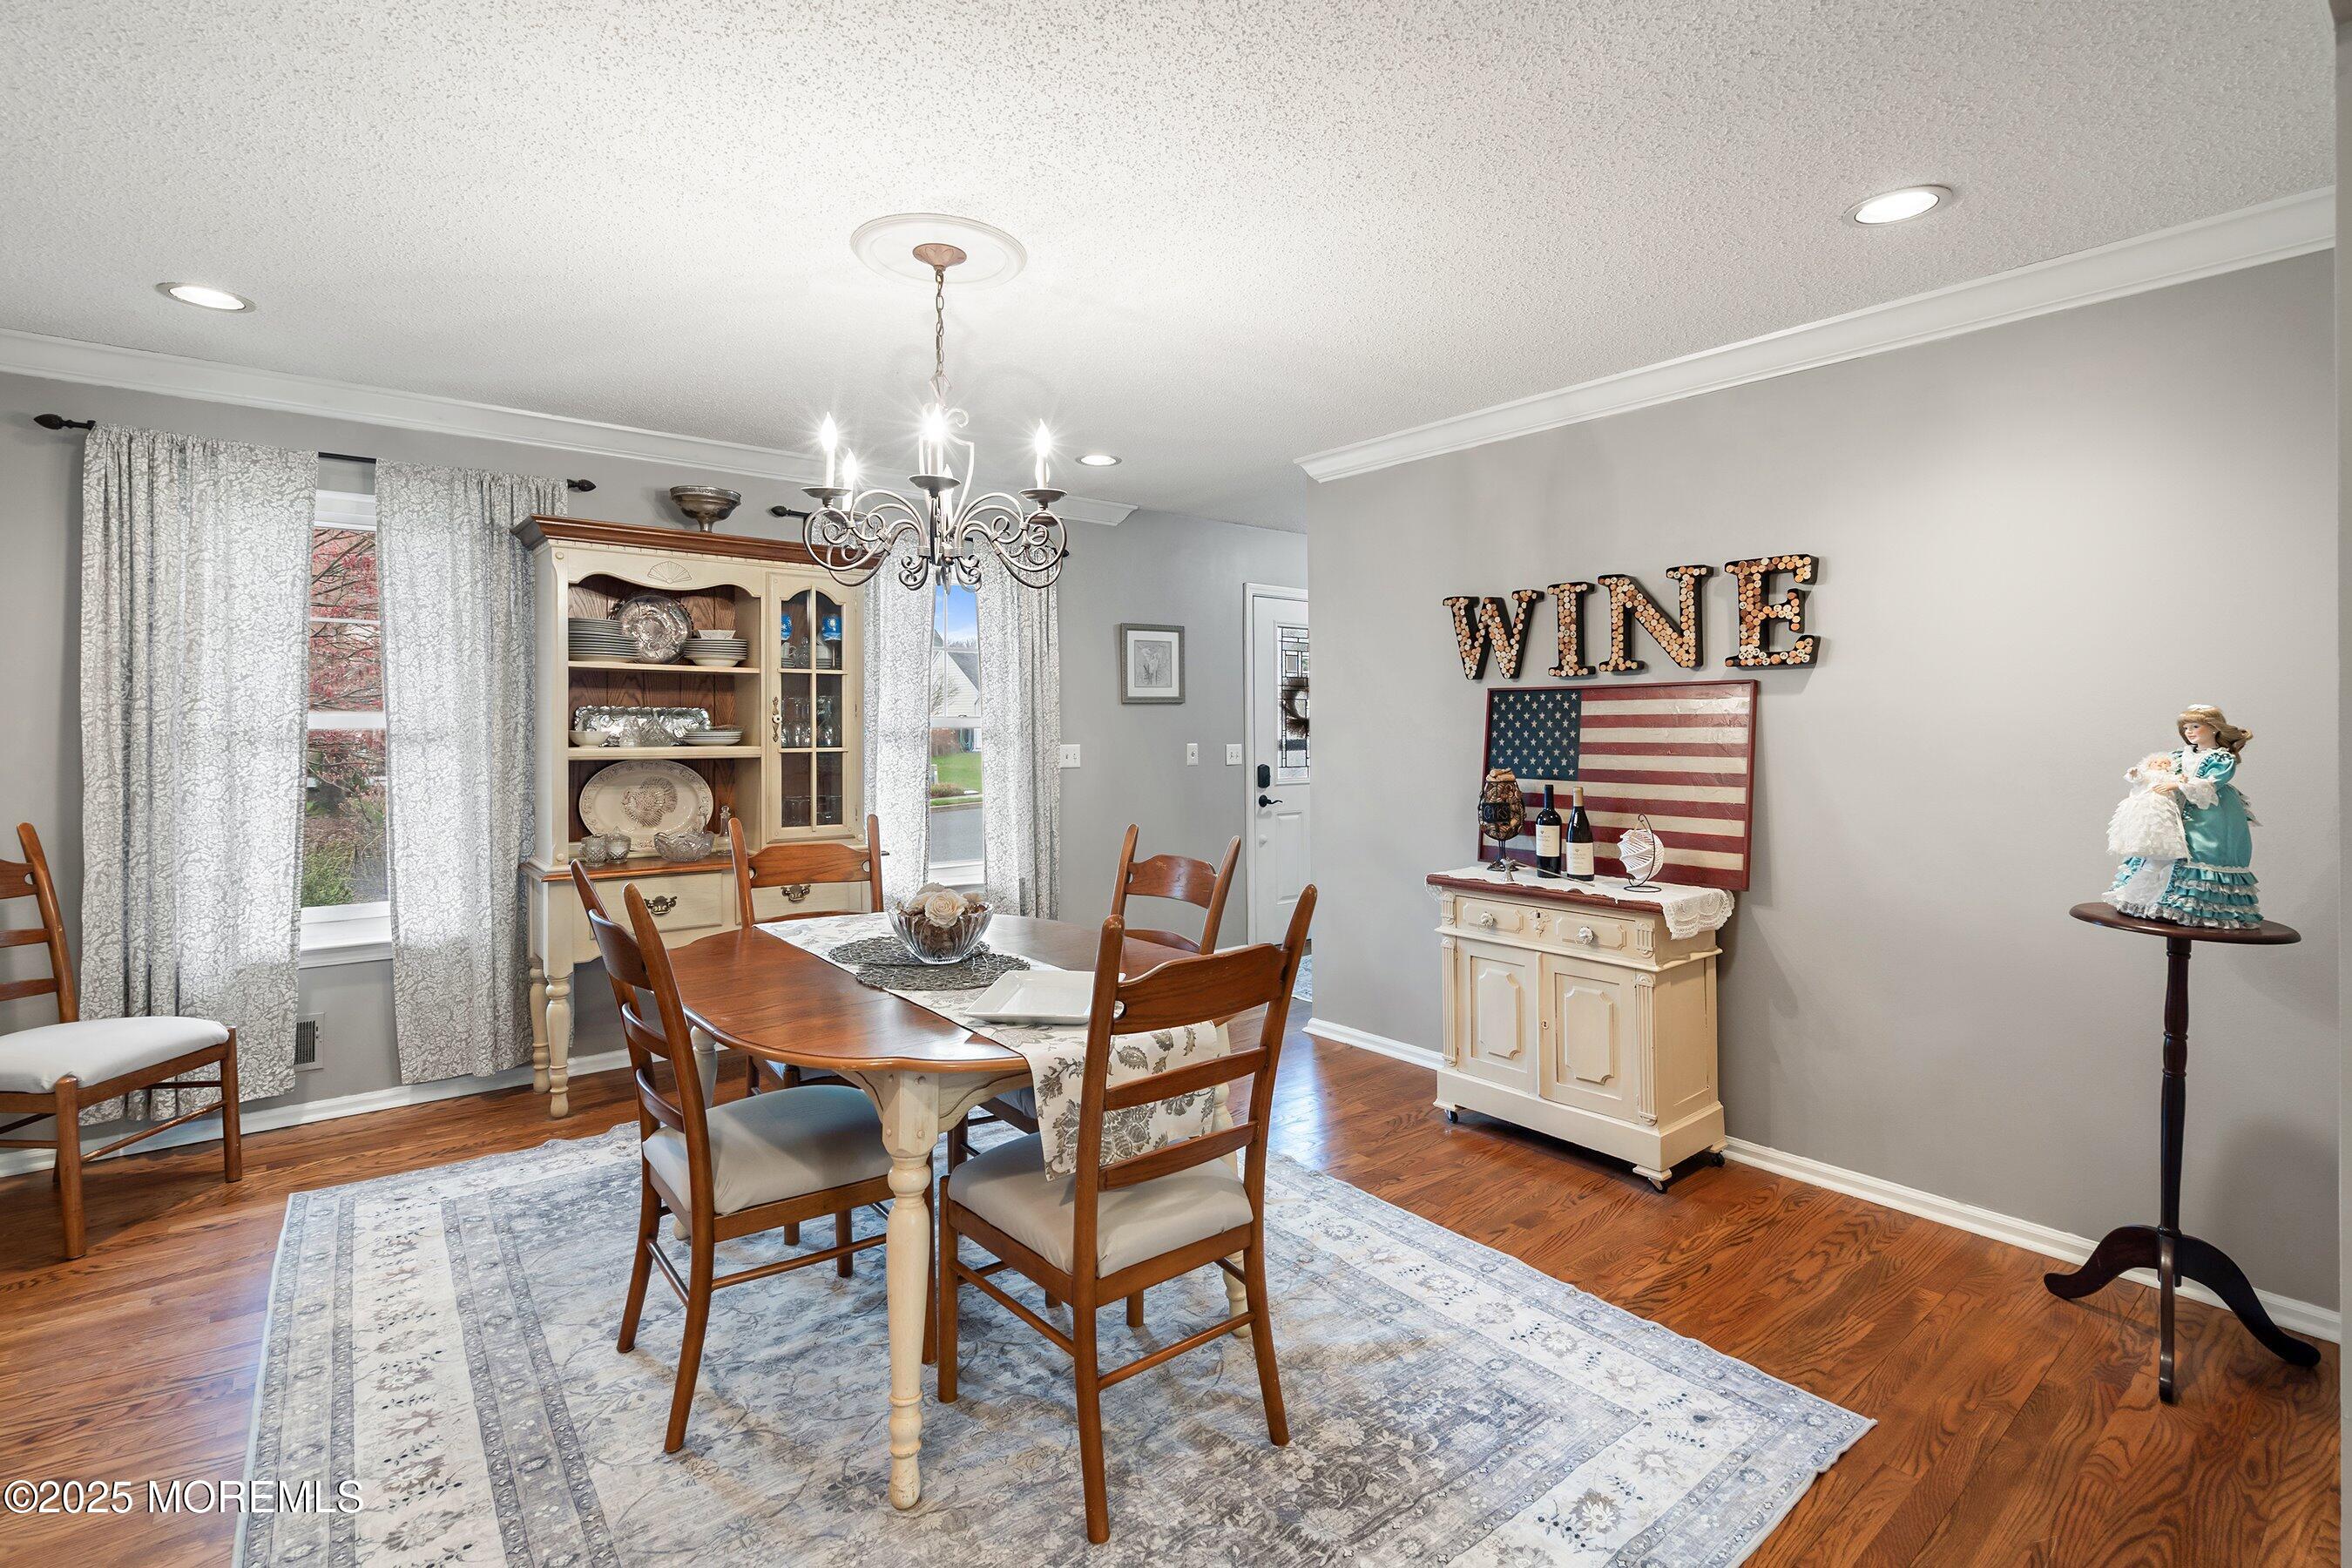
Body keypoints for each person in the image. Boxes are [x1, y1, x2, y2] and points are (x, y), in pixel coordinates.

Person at [2105, 705, 2259, 928]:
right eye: (2186, 727)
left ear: (2214, 728)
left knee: (2201, 849)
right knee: (2161, 850)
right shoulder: (2179, 755)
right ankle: (2152, 900)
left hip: (2210, 810)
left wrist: (2177, 784)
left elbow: (2212, 783)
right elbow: (2158, 772)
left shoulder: (2221, 758)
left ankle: (2194, 906)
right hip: (2171, 808)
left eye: (2196, 726)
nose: (2190, 732)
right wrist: (2143, 775)